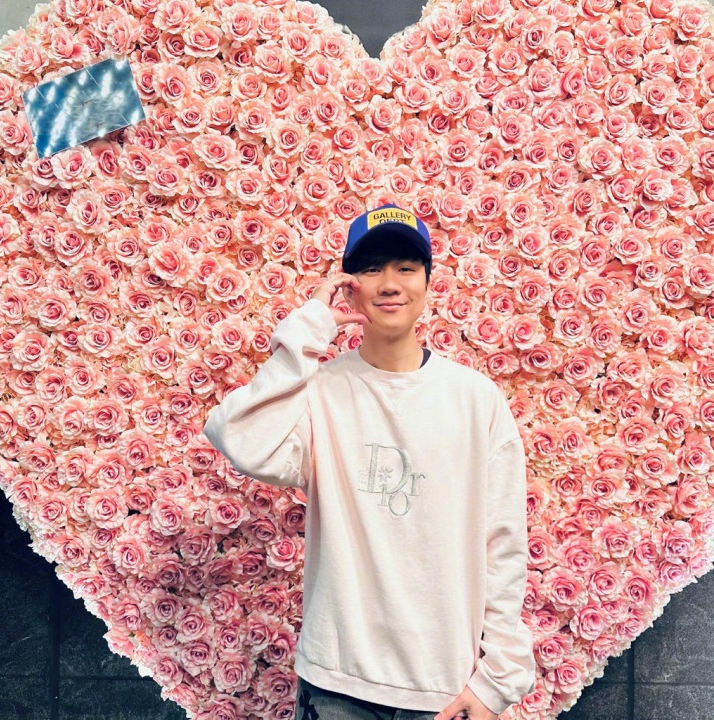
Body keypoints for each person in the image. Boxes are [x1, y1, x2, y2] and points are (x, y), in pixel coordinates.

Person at [203, 204, 536, 720]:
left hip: (443, 685)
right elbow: (240, 437)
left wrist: (497, 681)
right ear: (349, 287)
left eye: (406, 267)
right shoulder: (321, 391)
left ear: (427, 281)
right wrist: (309, 329)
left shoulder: (476, 399)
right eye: (372, 268)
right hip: (337, 681)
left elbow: (504, 543)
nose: (390, 284)